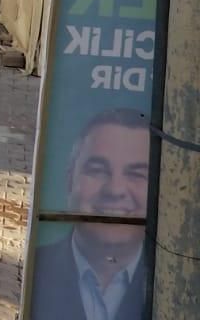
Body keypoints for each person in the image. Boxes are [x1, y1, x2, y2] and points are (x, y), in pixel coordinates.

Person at [28, 109, 148, 320]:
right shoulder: (36, 270)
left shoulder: (180, 282)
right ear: (69, 181)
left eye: (136, 174)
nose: (115, 190)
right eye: (97, 170)